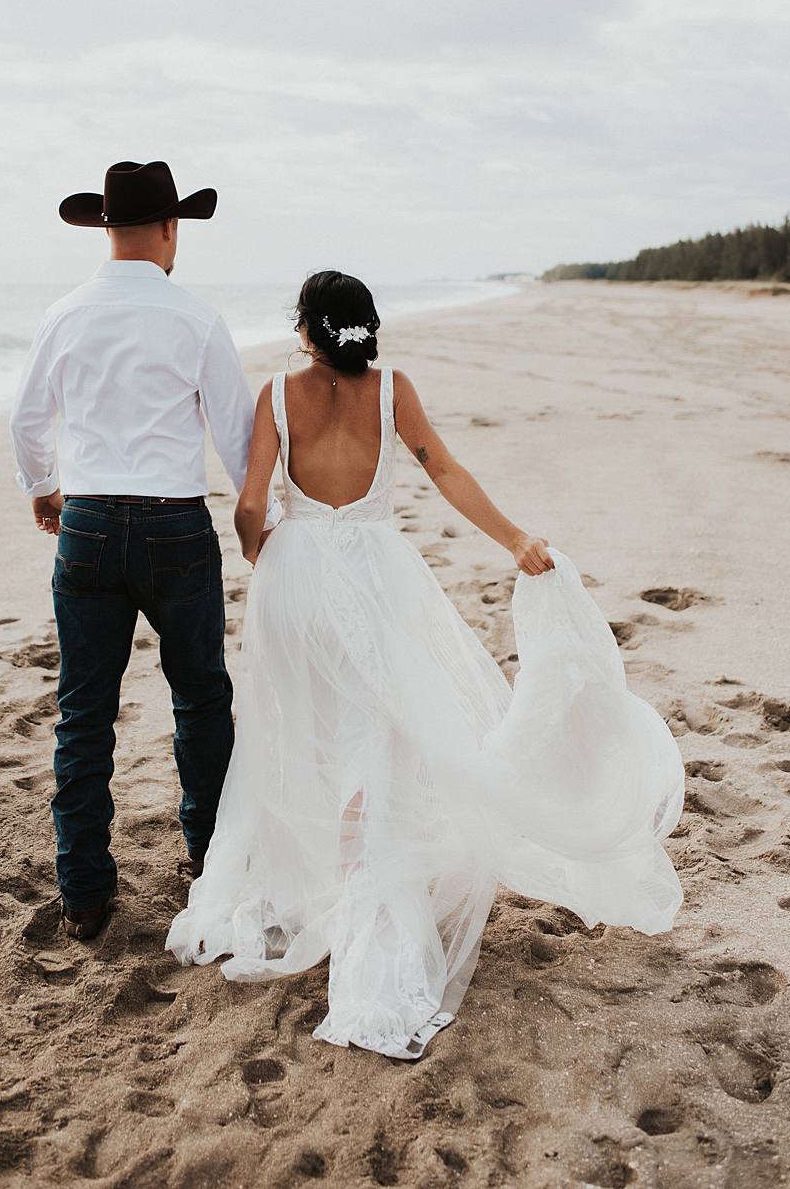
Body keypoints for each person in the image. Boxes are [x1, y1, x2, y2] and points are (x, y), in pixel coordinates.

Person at [166, 270, 684, 1060]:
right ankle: (369, 883)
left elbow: (248, 502)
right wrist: (513, 539)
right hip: (377, 574)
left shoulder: (275, 393)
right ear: (365, 327)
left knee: (296, 726)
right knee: (383, 731)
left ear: (304, 328)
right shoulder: (391, 390)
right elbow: (443, 471)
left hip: (296, 578)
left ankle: (318, 883)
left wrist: (258, 550)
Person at [9, 160, 278, 941]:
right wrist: (257, 522)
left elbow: (26, 418)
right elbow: (233, 434)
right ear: (169, 229)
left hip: (87, 523)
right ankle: (208, 860)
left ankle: (86, 893)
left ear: (104, 228)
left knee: (83, 713)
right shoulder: (194, 317)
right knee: (199, 698)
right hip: (174, 525)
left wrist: (43, 487)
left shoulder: (64, 313)